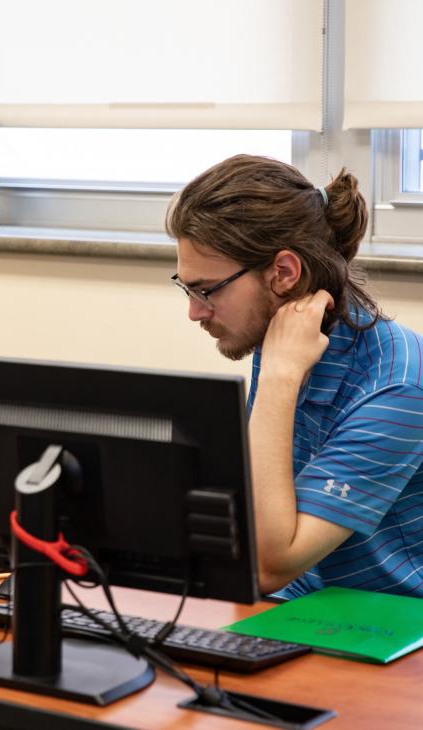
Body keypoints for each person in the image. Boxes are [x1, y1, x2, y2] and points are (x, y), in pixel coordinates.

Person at [166, 154, 423, 598]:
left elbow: (268, 563)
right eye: (186, 288)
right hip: (299, 604)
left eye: (206, 290)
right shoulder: (287, 333)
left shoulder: (397, 386)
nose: (194, 312)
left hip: (388, 631)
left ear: (283, 273)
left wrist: (279, 380)